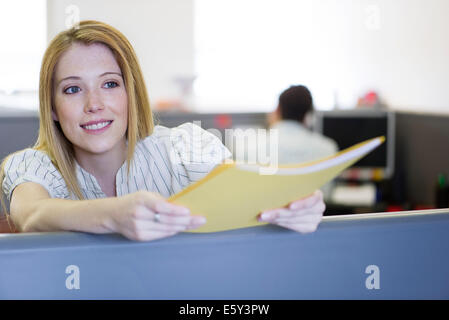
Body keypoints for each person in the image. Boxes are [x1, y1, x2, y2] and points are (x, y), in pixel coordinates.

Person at [0, 21, 324, 241]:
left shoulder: (186, 149)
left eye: (110, 84)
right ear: (53, 107)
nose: (94, 103)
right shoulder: (32, 166)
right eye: (72, 90)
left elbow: (245, 193)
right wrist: (114, 216)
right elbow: (33, 213)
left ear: (131, 92)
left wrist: (292, 206)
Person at [268, 85, 339, 200]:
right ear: (309, 115)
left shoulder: (249, 147)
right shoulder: (328, 148)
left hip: (266, 217)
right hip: (317, 216)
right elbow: (328, 194)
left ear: (277, 110)